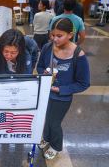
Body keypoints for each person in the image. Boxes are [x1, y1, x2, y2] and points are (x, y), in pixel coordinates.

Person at [37, 18, 90, 160]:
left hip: (62, 98)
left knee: (54, 123)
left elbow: (83, 83)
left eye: (59, 36)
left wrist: (61, 89)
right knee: (47, 119)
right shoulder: (48, 47)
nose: (55, 39)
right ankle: (47, 138)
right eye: (52, 35)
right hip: (46, 93)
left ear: (70, 35)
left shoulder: (78, 55)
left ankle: (55, 146)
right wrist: (45, 73)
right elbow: (40, 66)